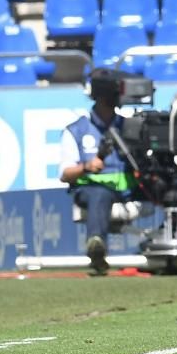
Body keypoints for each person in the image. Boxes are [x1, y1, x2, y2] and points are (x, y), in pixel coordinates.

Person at [60, 69, 138, 275]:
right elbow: (65, 174)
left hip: (128, 188)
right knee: (100, 194)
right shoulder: (76, 130)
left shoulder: (129, 127)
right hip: (91, 189)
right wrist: (86, 166)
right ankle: (96, 245)